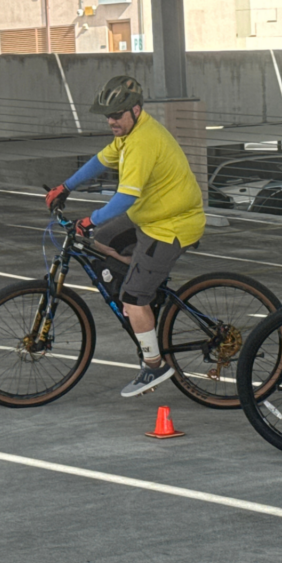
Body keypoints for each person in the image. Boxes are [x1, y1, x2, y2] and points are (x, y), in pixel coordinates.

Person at [45, 75, 206, 397]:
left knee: (132, 298)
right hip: (148, 218)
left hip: (171, 226)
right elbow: (98, 161)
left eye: (116, 115)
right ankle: (145, 294)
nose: (111, 121)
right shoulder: (129, 134)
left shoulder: (143, 141)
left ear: (135, 110)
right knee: (97, 243)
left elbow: (125, 197)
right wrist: (65, 187)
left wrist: (89, 219)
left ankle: (153, 364)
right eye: (108, 116)